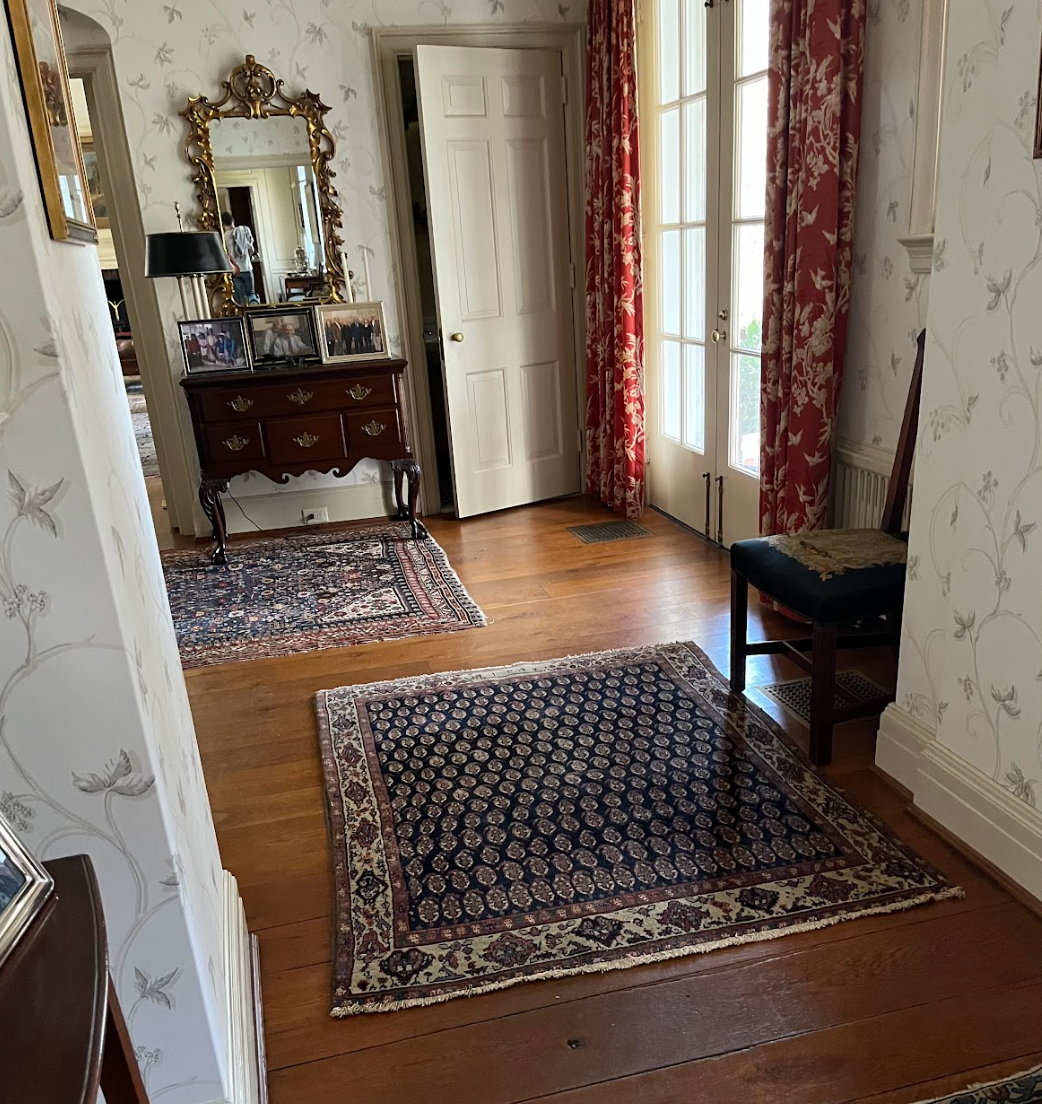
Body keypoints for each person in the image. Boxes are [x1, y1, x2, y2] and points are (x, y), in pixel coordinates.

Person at [222, 211, 260, 306]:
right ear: (233, 220)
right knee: (251, 295)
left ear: (222, 224)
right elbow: (251, 250)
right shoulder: (243, 231)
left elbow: (226, 256)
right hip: (247, 268)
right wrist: (246, 256)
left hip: (235, 271)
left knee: (239, 300)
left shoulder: (224, 237)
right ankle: (255, 315)